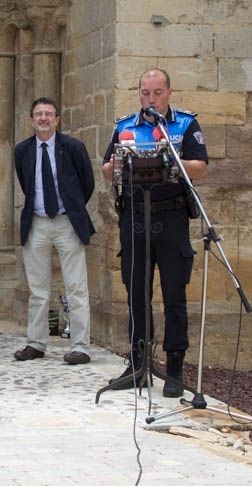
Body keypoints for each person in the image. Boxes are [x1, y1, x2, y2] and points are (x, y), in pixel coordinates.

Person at [101, 68, 208, 397]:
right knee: (136, 294)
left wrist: (170, 161)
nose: (151, 99)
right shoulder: (125, 127)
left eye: (157, 93)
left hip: (172, 216)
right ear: (139, 94)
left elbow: (201, 167)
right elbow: (106, 169)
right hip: (135, 216)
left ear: (169, 93)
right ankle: (138, 365)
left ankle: (174, 368)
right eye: (145, 93)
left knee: (174, 295)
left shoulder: (184, 124)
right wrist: (118, 164)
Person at [12, 97, 95, 365]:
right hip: (36, 223)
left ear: (57, 120)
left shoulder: (73, 147)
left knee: (76, 287)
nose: (44, 118)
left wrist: (71, 207)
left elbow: (87, 183)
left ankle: (80, 347)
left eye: (49, 114)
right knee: (37, 289)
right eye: (39, 114)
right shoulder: (22, 150)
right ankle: (36, 343)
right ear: (31, 120)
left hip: (66, 222)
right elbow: (26, 183)